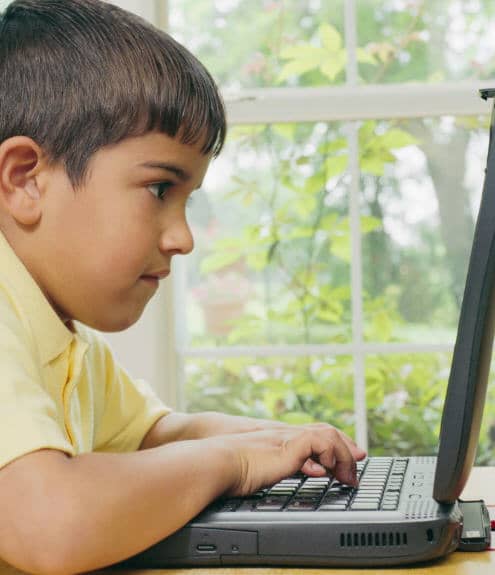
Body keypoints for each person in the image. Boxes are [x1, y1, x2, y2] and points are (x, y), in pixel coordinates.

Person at [0, 1, 367, 574]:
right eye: (159, 189)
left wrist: (285, 442)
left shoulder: (63, 335)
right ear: (26, 179)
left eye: (188, 199)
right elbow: (49, 524)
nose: (183, 237)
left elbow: (157, 435)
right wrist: (236, 462)